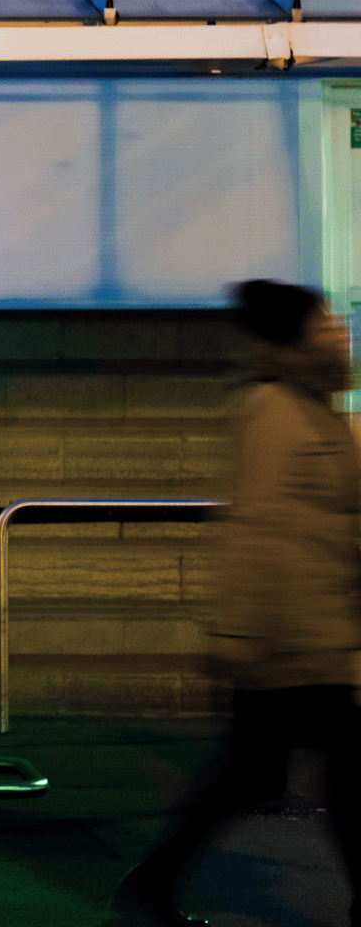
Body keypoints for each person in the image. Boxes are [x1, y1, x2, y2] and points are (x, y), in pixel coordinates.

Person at [112, 280, 361, 926]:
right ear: (297, 335)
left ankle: (154, 881)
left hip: (316, 633)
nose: (339, 330)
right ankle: (153, 882)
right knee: (339, 778)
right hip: (288, 641)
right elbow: (255, 528)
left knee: (253, 776)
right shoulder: (278, 412)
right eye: (326, 321)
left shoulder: (316, 407)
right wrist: (242, 634)